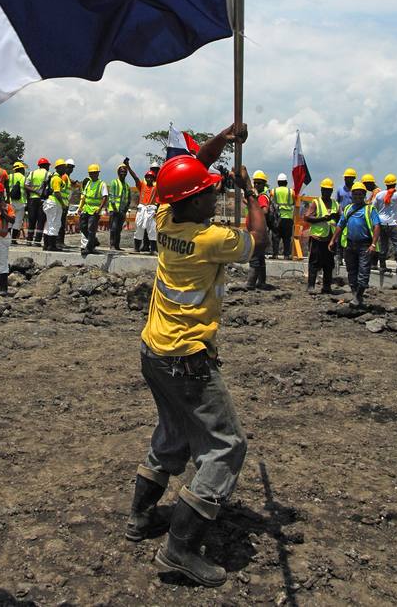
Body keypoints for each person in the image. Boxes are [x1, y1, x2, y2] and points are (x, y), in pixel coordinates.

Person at [126, 123, 266, 588]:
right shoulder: (212, 240)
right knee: (227, 447)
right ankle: (180, 550)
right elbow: (258, 241)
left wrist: (224, 138)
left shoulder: (167, 220)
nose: (214, 193)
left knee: (173, 433)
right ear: (195, 202)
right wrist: (251, 197)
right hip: (188, 359)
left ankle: (142, 518)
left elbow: (186, 176)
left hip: (154, 351)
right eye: (209, 193)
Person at [329, 181, 380, 308]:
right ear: (352, 195)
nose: (357, 196)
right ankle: (356, 296)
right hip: (350, 245)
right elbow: (340, 225)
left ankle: (358, 297)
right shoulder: (347, 209)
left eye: (360, 194)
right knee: (351, 271)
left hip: (364, 245)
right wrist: (333, 240)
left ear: (364, 195)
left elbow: (377, 226)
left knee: (363, 272)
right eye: (355, 194)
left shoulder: (369, 209)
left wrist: (373, 244)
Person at [303, 178, 339, 294]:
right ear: (321, 190)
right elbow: (307, 217)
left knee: (329, 264)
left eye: (328, 190)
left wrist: (335, 217)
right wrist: (323, 218)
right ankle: (311, 286)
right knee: (314, 262)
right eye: (324, 190)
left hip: (330, 239)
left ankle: (327, 286)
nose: (326, 192)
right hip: (317, 238)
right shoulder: (316, 203)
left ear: (331, 191)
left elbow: (341, 218)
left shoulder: (335, 204)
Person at [127, 164, 159, 254]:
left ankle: (153, 250)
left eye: (151, 177)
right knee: (139, 228)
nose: (149, 179)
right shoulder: (142, 185)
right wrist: (129, 167)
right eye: (147, 177)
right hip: (142, 209)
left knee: (152, 229)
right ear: (146, 178)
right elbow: (135, 177)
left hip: (151, 210)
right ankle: (136, 248)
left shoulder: (156, 187)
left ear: (153, 178)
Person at [246, 171, 270, 290]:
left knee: (254, 257)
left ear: (264, 184)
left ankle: (251, 283)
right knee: (260, 258)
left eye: (259, 183)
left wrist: (254, 206)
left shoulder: (261, 197)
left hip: (257, 232)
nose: (256, 185)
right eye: (255, 183)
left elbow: (264, 210)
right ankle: (262, 282)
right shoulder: (259, 196)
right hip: (257, 231)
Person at [78, 164, 108, 256]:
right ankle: (94, 241)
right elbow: (84, 196)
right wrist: (80, 207)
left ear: (98, 173)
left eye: (94, 173)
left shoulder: (102, 184)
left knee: (91, 229)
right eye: (91, 173)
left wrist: (99, 209)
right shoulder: (88, 183)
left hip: (95, 210)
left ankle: (89, 247)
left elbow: (105, 197)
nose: (92, 175)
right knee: (82, 227)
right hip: (86, 209)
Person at [42, 159, 68, 251]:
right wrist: (63, 204)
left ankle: (46, 245)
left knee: (49, 224)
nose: (65, 169)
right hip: (55, 203)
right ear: (59, 168)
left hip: (51, 203)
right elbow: (57, 192)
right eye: (64, 167)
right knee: (55, 223)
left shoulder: (55, 177)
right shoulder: (57, 178)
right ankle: (52, 246)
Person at [25, 157, 51, 245]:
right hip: (42, 200)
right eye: (48, 165)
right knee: (41, 220)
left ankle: (29, 240)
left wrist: (34, 191)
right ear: (45, 165)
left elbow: (26, 186)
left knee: (32, 220)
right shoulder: (48, 174)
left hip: (32, 199)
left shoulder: (32, 173)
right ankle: (37, 241)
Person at [269, 173, 295, 260]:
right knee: (287, 237)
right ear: (286, 182)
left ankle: (275, 254)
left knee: (275, 236)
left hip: (277, 217)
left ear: (278, 182)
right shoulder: (291, 192)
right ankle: (286, 255)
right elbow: (294, 202)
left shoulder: (273, 191)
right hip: (288, 217)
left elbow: (271, 202)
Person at [108, 162, 132, 250]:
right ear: (118, 172)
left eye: (125, 172)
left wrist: (126, 208)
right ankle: (112, 245)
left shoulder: (127, 186)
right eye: (121, 171)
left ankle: (117, 245)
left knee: (119, 229)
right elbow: (112, 196)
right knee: (113, 228)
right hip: (114, 210)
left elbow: (129, 198)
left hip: (122, 211)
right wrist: (115, 208)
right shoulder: (114, 182)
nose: (123, 173)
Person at [7, 160, 27, 243]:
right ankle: (13, 240)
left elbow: (6, 188)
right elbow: (26, 189)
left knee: (9, 220)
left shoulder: (9, 176)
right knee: (18, 221)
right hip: (21, 202)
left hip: (11, 201)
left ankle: (7, 238)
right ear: (21, 169)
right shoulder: (23, 178)